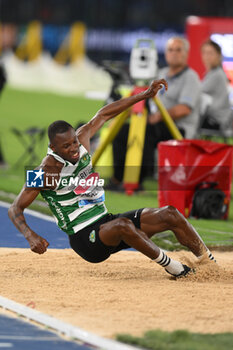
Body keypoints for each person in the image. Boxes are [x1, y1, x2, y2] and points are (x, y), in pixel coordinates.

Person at [8, 79, 215, 278]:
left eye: (73, 142)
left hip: (107, 222)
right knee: (124, 225)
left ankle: (210, 264)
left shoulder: (81, 141)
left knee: (170, 214)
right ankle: (175, 268)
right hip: (85, 239)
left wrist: (144, 95)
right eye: (66, 146)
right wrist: (30, 235)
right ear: (53, 148)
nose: (73, 149)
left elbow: (105, 113)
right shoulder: (45, 172)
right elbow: (15, 208)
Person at [148, 37, 201, 140]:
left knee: (147, 131)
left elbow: (184, 109)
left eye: (178, 50)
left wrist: (159, 116)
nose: (174, 53)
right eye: (170, 50)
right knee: (124, 130)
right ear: (166, 54)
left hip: (178, 128)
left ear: (186, 53)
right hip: (159, 124)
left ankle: (145, 156)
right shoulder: (161, 74)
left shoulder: (191, 77)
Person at [200, 39, 232, 133]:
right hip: (215, 120)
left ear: (219, 55)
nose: (207, 56)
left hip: (216, 121)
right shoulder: (211, 74)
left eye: (210, 53)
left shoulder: (217, 74)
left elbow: (197, 94)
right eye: (204, 53)